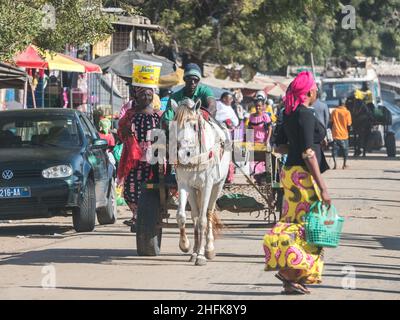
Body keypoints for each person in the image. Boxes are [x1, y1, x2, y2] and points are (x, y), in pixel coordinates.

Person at [264, 71, 331, 295]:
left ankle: (292, 276)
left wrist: (297, 145)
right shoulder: (306, 114)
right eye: (315, 89)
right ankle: (288, 273)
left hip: (289, 172)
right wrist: (322, 187)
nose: (317, 92)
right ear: (310, 91)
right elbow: (309, 153)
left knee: (294, 223)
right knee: (307, 226)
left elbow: (279, 146)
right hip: (303, 175)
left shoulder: (289, 113)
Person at [117, 86, 160, 231]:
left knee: (151, 188)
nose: (147, 98)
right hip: (133, 158)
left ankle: (147, 215)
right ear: (136, 97)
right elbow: (121, 132)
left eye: (149, 95)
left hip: (152, 160)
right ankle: (136, 215)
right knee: (130, 188)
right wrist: (126, 130)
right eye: (143, 95)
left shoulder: (157, 116)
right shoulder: (129, 115)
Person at [161, 63, 216, 128]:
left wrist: (201, 115)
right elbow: (167, 118)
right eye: (190, 79)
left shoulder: (205, 91)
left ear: (199, 81)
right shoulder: (174, 97)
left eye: (196, 80)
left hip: (203, 125)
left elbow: (213, 106)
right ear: (184, 79)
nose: (193, 82)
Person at [216, 92, 239, 183]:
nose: (232, 100)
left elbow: (235, 122)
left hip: (226, 133)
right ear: (224, 98)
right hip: (216, 130)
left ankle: (228, 175)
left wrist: (228, 122)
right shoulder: (218, 105)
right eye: (230, 99)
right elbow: (217, 117)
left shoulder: (229, 108)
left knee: (227, 153)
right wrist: (224, 120)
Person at [247, 97, 272, 182]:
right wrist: (249, 141)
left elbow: (270, 129)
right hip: (253, 141)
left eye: (260, 106)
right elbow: (249, 129)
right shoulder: (251, 116)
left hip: (263, 141)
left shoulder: (265, 116)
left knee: (262, 160)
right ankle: (253, 175)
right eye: (257, 106)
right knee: (252, 159)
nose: (258, 108)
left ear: (263, 106)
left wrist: (267, 141)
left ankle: (262, 177)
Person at [331, 100, 352, 169]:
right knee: (345, 150)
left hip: (335, 133)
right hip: (344, 134)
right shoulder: (347, 112)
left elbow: (331, 122)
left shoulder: (334, 111)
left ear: (339, 104)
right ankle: (344, 164)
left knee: (334, 150)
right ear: (345, 104)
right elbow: (349, 124)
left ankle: (335, 164)